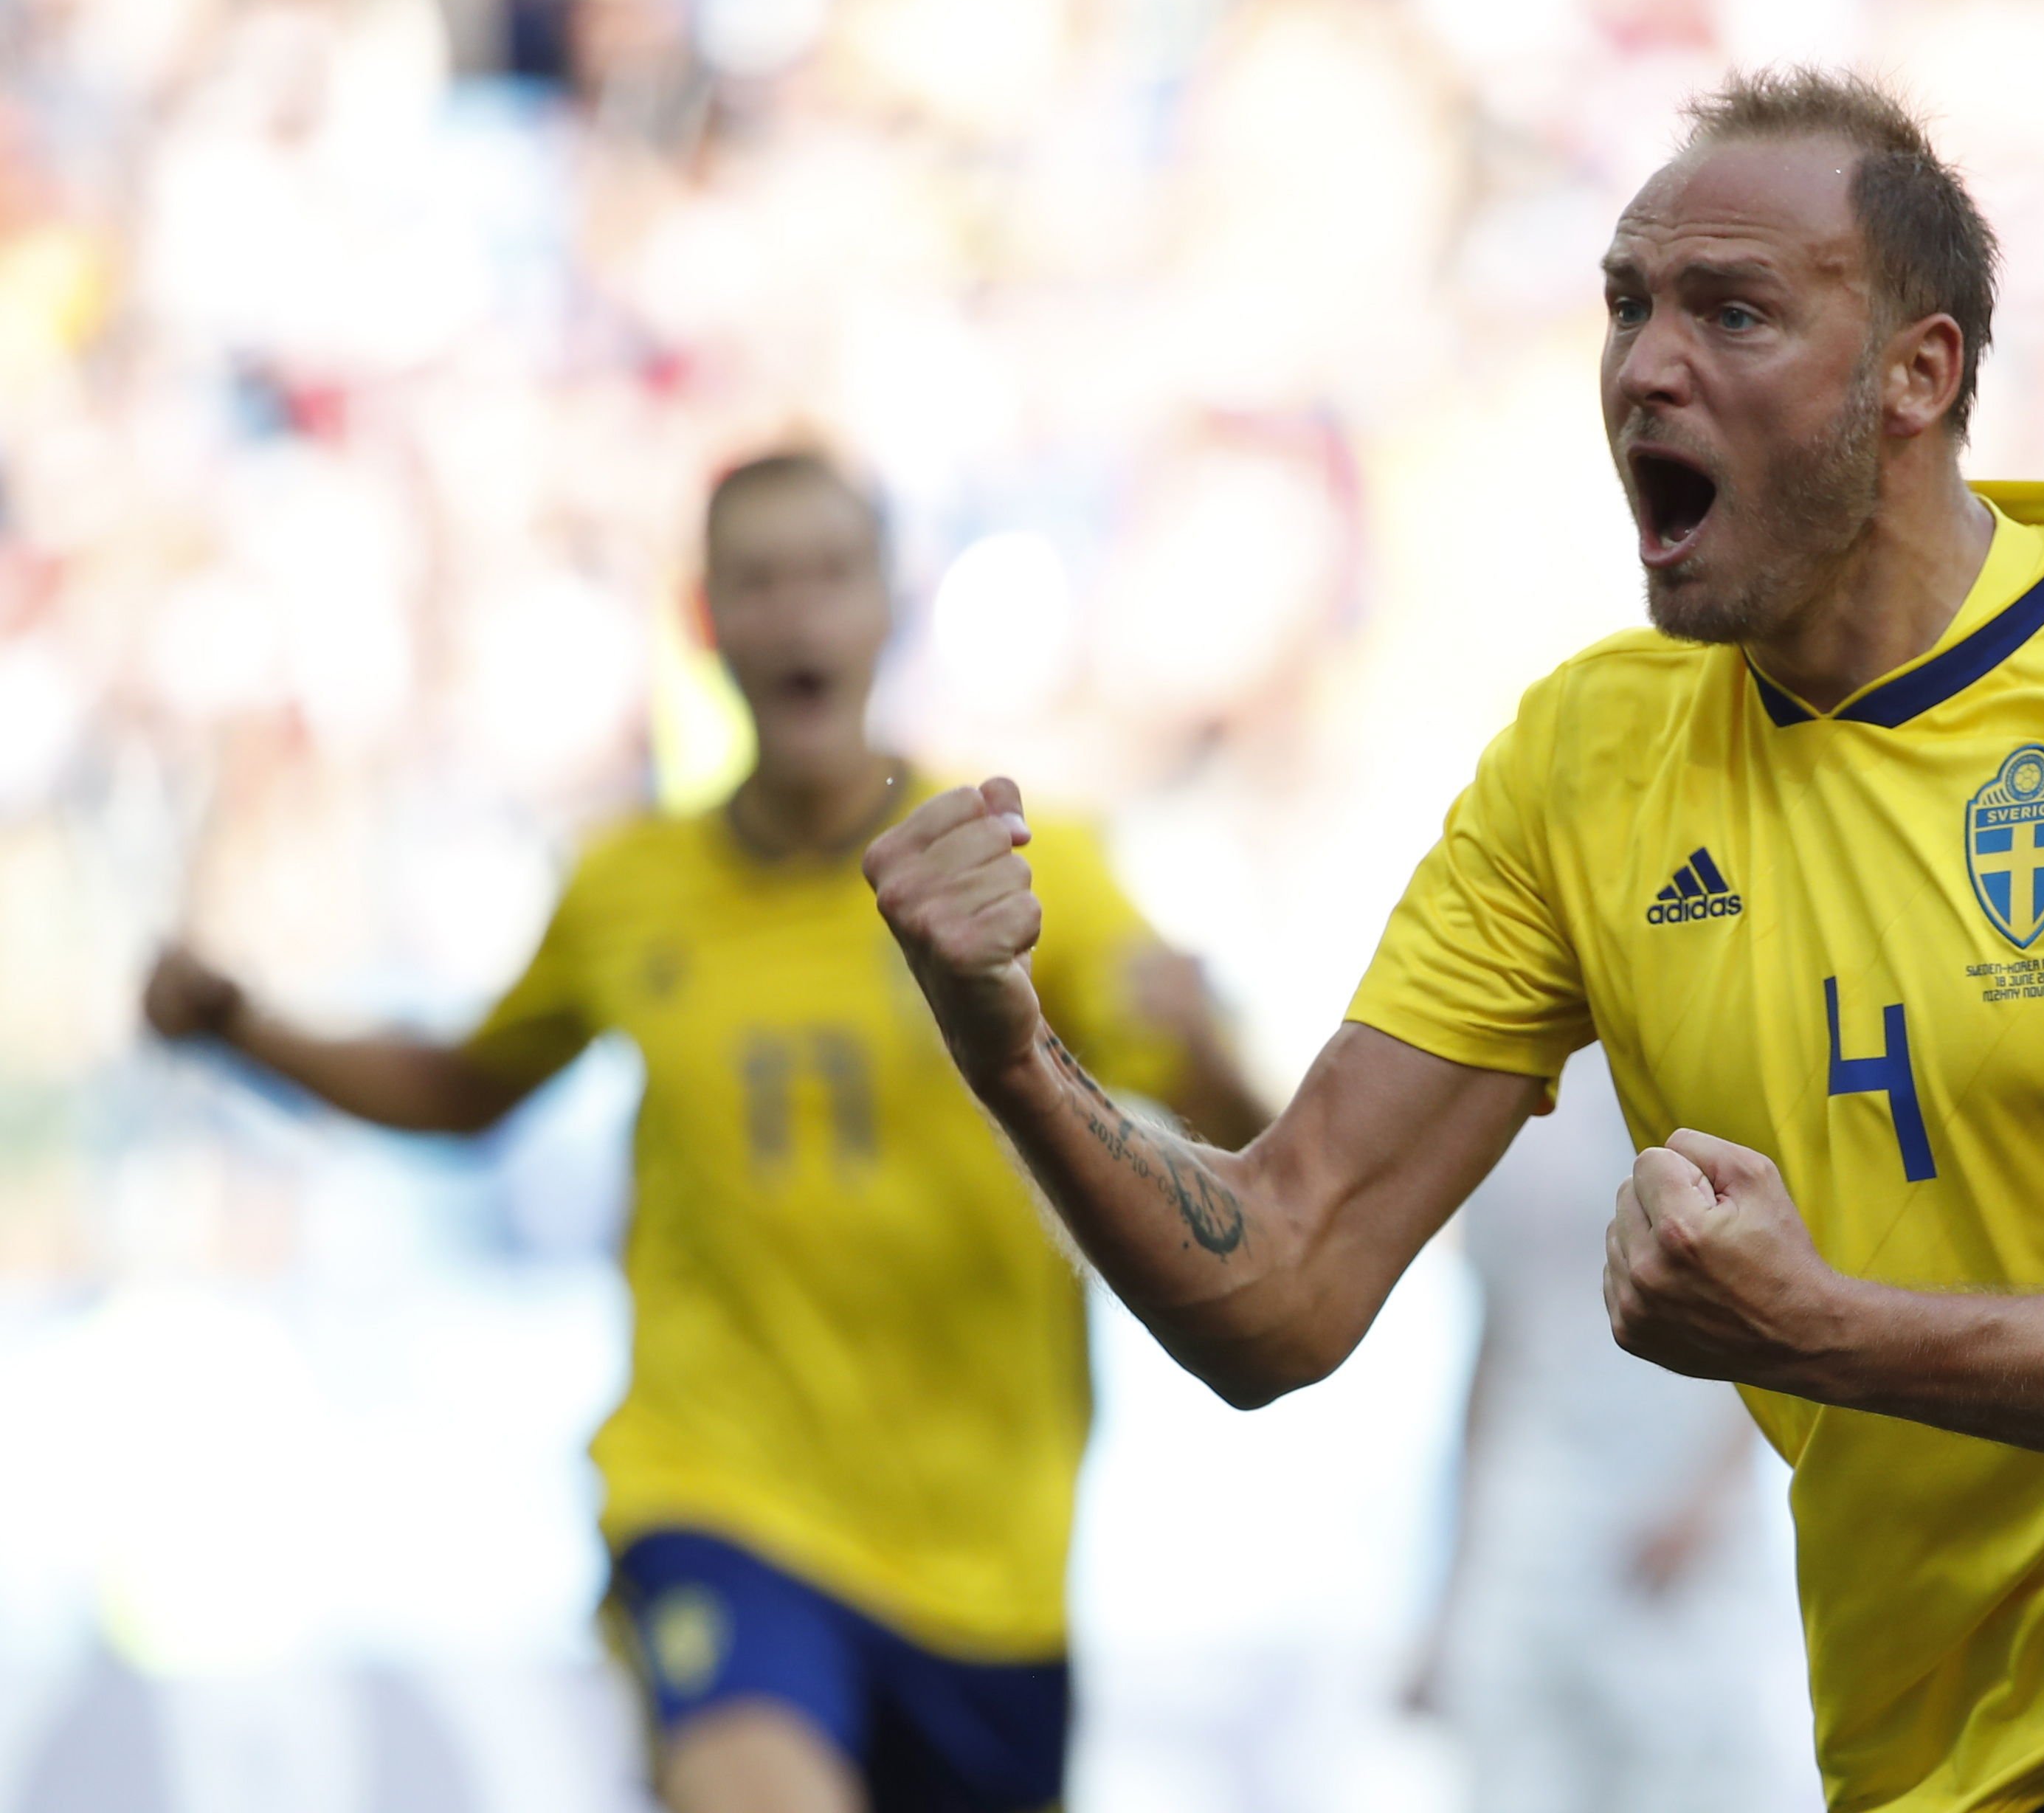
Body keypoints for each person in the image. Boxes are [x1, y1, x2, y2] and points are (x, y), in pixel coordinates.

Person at [862, 67, 2044, 1813]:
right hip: (1955, 1767)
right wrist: (1012, 1053)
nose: (1644, 365)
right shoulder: (1585, 766)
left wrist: (1821, 1326)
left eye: (1732, 312)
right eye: (1627, 304)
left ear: (1916, 374)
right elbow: (1280, 1285)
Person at [144, 450, 1268, 1813]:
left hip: (986, 1561)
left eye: (829, 577)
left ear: (887, 607)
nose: (796, 615)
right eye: (759, 582)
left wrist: (1204, 1049)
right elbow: (468, 1090)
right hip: (716, 1494)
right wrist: (246, 1030)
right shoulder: (629, 887)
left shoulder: (1022, 871)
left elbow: (1256, 1167)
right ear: (707, 619)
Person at [1412, 1043, 1802, 1813]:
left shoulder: (1696, 1071)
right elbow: (1493, 1339)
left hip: (1676, 1514)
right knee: (1522, 1767)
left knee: (1687, 1769)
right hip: (1537, 1508)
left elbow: (1771, 1304)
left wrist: (1708, 1496)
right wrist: (1450, 1593)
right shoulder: (1499, 1114)